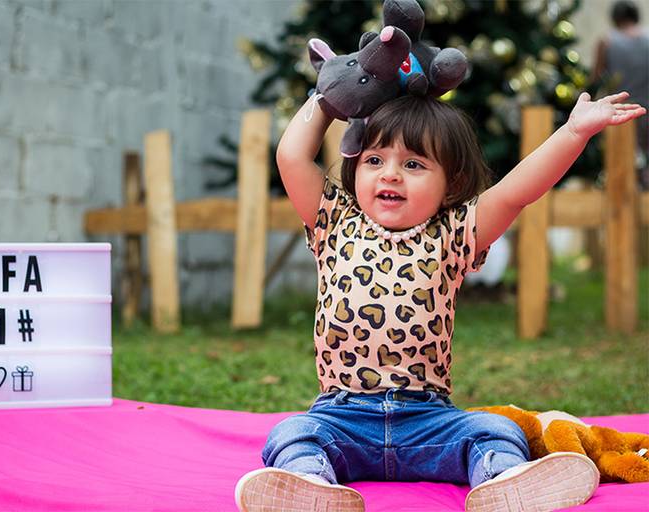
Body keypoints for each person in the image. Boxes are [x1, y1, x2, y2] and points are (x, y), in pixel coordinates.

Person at [234, 89, 646, 512]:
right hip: (341, 418)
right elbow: (291, 158)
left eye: (413, 164)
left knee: (494, 430)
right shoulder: (335, 222)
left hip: (428, 422)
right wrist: (327, 97)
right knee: (292, 434)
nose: (390, 175)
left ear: (453, 184)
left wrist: (574, 132)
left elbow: (515, 192)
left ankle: (505, 482)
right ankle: (308, 484)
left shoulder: (453, 234)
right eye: (374, 160)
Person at [592, 0, 649, 188]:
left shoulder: (607, 41)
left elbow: (596, 78)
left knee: (624, 160)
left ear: (615, 19)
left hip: (623, 111)